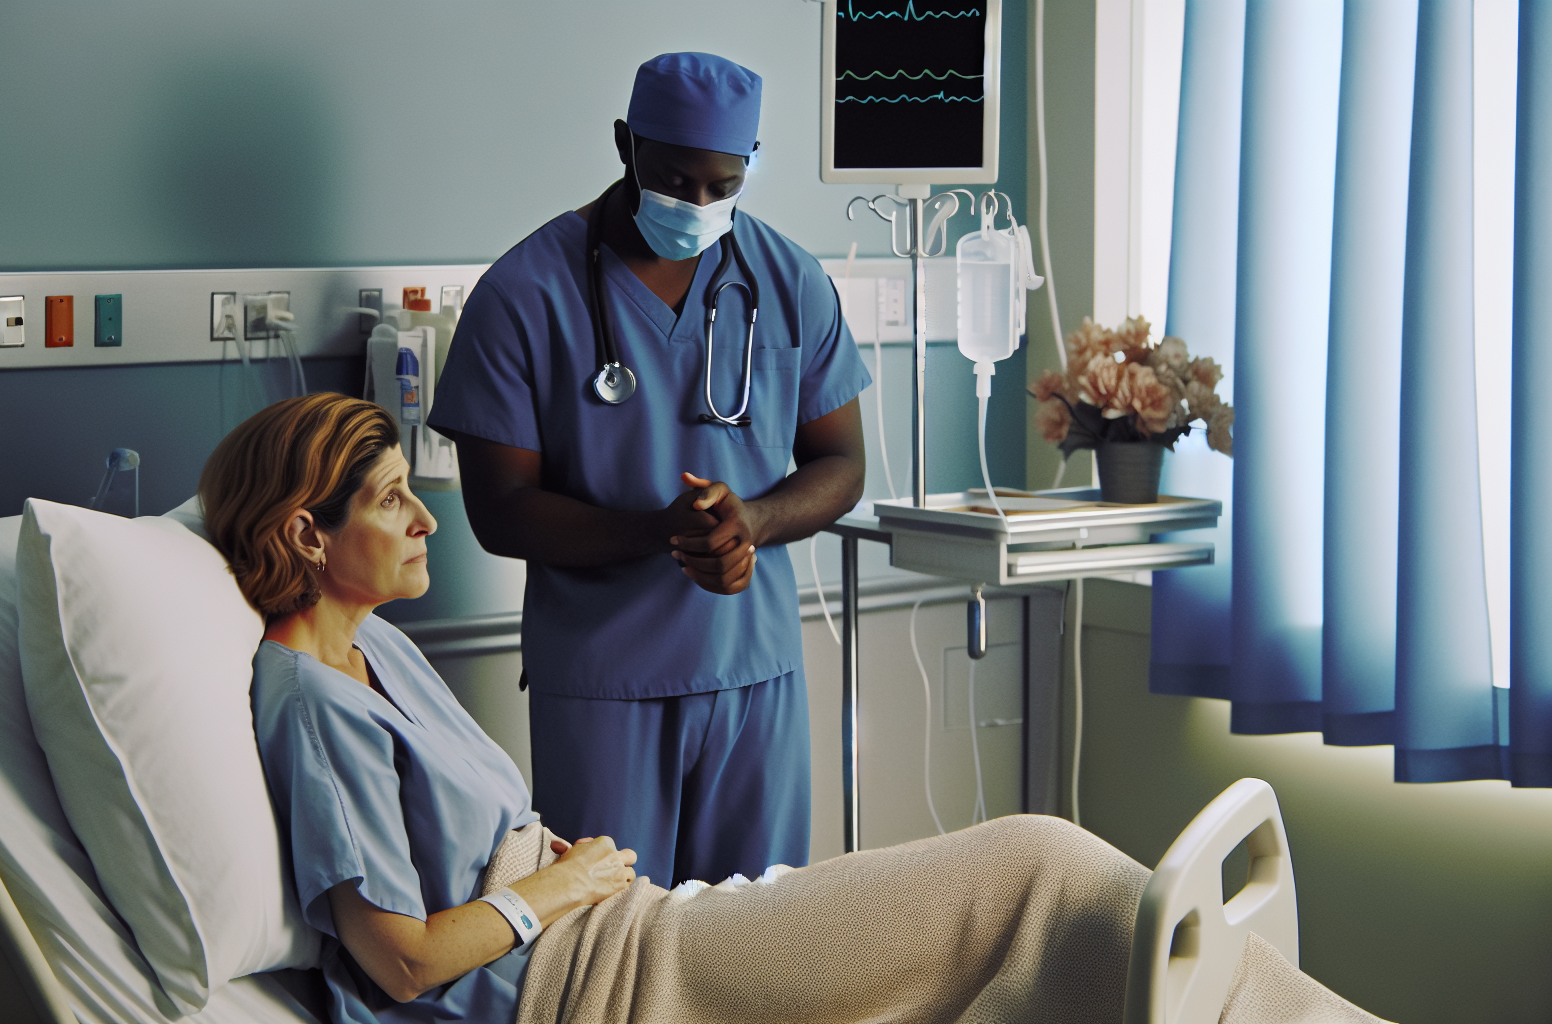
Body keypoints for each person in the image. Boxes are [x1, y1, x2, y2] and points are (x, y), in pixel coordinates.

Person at [203, 395, 1384, 1024]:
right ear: (308, 533)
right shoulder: (312, 707)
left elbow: (457, 843)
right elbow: (401, 963)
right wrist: (548, 889)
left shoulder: (384, 655)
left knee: (1036, 909)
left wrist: (546, 864)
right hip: (598, 984)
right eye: (396, 500)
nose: (426, 521)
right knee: (1034, 870)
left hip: (620, 928)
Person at [425, 52, 869, 890]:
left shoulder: (789, 279)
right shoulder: (524, 294)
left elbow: (842, 463)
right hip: (604, 683)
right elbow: (501, 511)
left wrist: (756, 522)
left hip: (754, 673)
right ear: (626, 144)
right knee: (611, 947)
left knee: (757, 947)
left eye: (723, 184)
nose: (698, 204)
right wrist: (659, 531)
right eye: (674, 178)